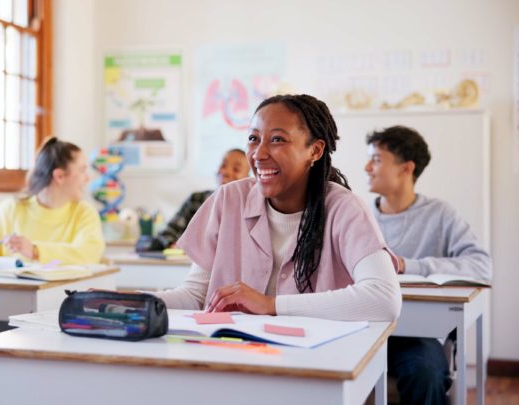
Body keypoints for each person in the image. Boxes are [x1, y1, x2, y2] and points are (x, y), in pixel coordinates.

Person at [153, 94, 402, 323]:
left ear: (315, 150)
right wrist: (137, 300)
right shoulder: (229, 199)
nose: (259, 154)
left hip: (318, 361)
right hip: (235, 353)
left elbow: (383, 300)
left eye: (277, 140)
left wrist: (271, 305)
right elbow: (195, 295)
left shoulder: (344, 208)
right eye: (253, 139)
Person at [365, 125, 492, 405]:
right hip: (362, 329)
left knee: (426, 372)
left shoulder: (440, 214)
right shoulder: (358, 215)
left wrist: (408, 265)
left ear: (406, 168)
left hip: (416, 335)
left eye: (376, 159)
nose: (366, 167)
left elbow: (481, 267)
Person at [0, 137, 105, 265]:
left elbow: (89, 254)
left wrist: (35, 251)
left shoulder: (85, 213)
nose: (87, 178)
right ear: (60, 176)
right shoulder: (11, 209)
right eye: (82, 170)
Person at [146, 149, 250, 251]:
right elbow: (168, 232)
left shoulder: (251, 208)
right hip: (191, 265)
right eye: (223, 165)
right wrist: (173, 245)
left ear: (248, 179)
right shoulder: (196, 200)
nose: (225, 171)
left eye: (236, 169)